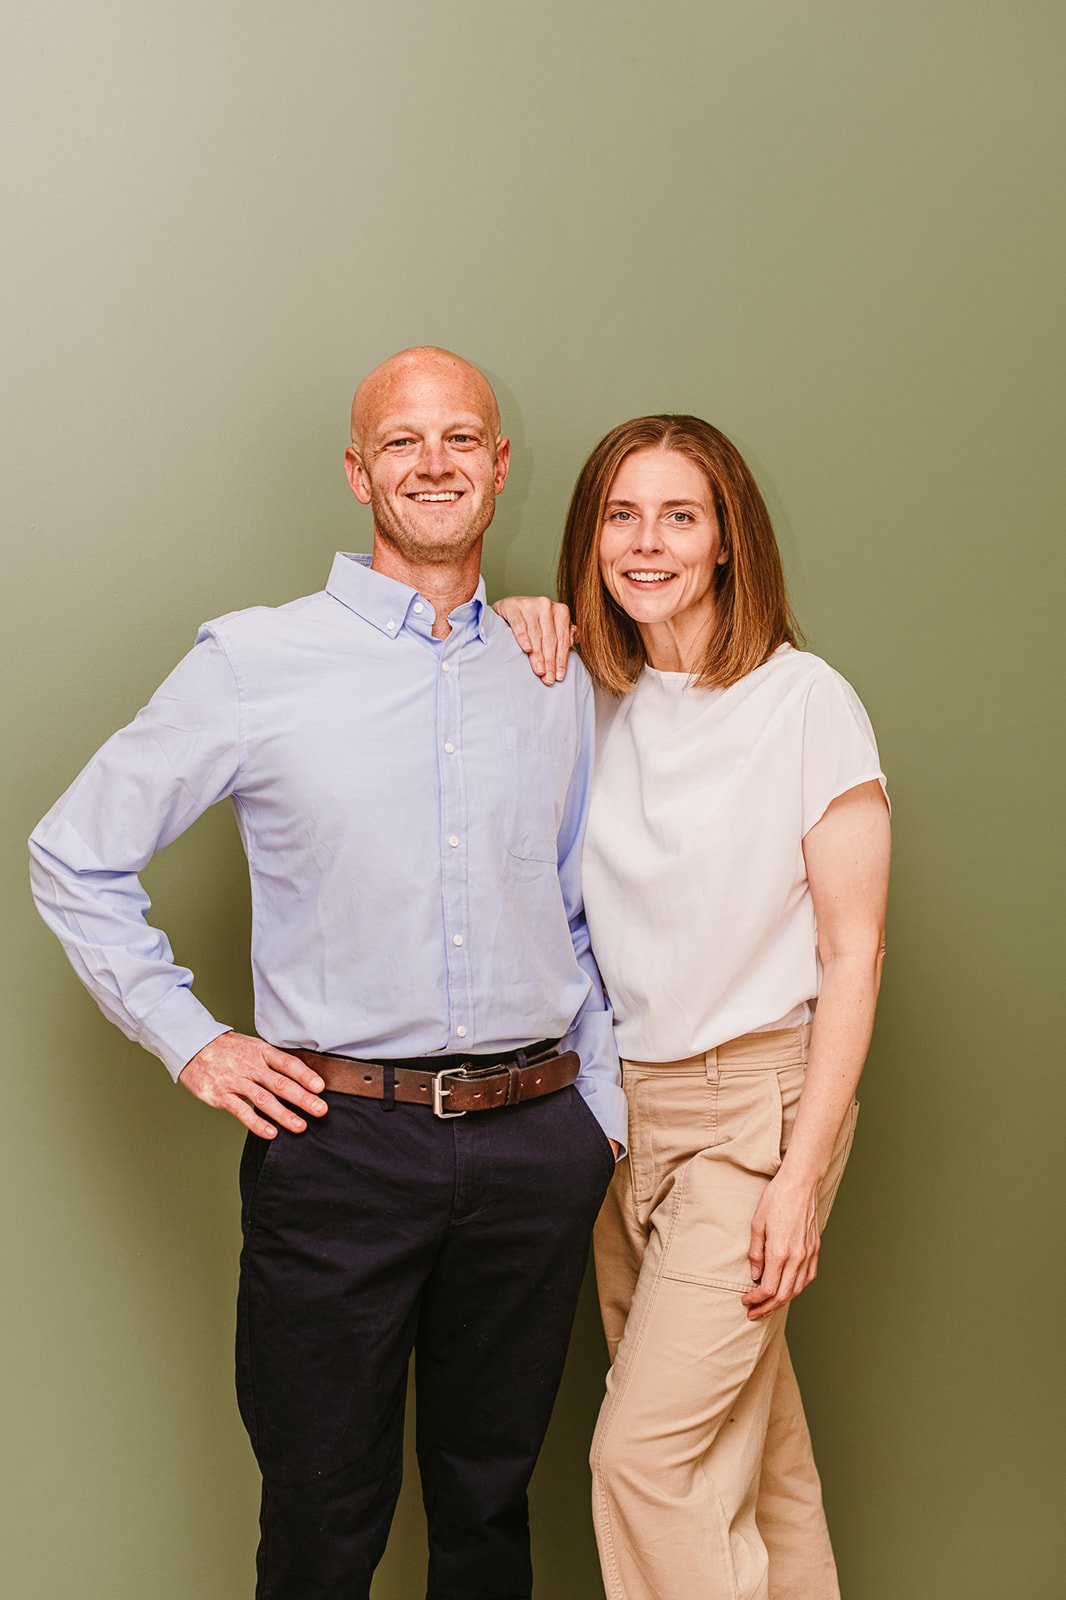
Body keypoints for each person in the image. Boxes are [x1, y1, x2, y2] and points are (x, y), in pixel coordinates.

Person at [28, 346, 625, 1600]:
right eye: (403, 441)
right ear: (359, 471)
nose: (434, 463)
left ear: (501, 467)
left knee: (488, 1502)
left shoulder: (551, 673)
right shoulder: (255, 662)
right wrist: (193, 1037)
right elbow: (73, 855)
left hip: (534, 1145)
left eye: (461, 438)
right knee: (321, 1512)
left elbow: (586, 912)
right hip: (339, 1143)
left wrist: (600, 1119)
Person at [495, 414, 891, 1600]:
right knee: (751, 1459)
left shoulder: (804, 700)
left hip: (758, 1109)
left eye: (679, 515)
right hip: (625, 1116)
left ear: (728, 542)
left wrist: (797, 1179)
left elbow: (854, 950)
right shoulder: (589, 697)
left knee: (643, 1456)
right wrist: (527, 619)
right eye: (621, 514)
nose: (646, 541)